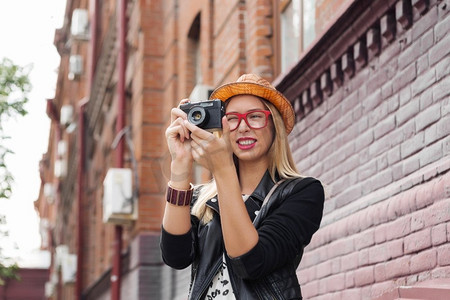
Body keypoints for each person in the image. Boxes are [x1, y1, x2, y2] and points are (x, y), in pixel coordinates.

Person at [160, 74, 325, 300]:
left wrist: (223, 169)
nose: (243, 127)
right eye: (233, 118)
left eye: (255, 117)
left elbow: (249, 262)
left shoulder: (301, 192)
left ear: (274, 125)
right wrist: (179, 165)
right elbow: (175, 257)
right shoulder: (203, 199)